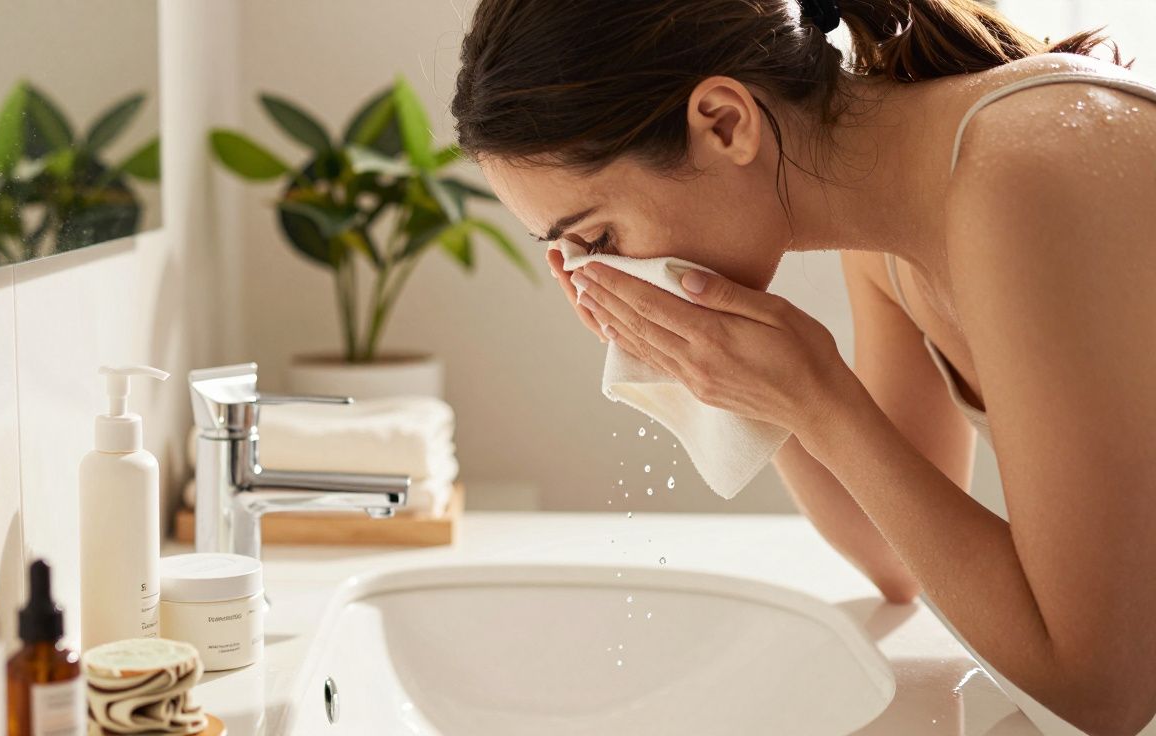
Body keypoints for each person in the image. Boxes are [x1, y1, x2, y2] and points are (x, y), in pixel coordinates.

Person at [451, 0, 1156, 733]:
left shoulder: (1021, 170)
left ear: (725, 121)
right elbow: (897, 561)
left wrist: (822, 398)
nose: (607, 279)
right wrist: (744, 379)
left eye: (597, 238)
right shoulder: (886, 225)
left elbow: (1102, 689)